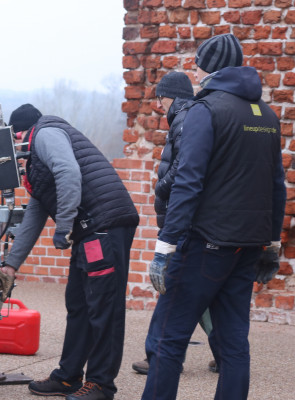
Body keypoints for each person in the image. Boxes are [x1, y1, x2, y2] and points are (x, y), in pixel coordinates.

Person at [142, 33, 285, 400]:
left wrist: (165, 246)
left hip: (203, 245)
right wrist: (272, 243)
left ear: (207, 67)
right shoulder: (266, 115)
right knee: (234, 343)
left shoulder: (206, 110)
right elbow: (275, 184)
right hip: (248, 245)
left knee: (169, 341)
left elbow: (188, 181)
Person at [0, 104, 139, 400]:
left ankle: (101, 385)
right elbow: (35, 213)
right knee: (79, 305)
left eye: (16, 138)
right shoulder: (37, 160)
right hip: (89, 229)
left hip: (104, 226)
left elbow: (68, 172)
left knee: (104, 309)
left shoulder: (45, 133)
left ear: (21, 132)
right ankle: (68, 377)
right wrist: (11, 265)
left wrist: (62, 226)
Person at [131, 72, 219, 375]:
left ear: (171, 97)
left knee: (172, 289)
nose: (158, 105)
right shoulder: (189, 116)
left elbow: (184, 168)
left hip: (182, 224)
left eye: (161, 98)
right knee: (199, 295)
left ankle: (159, 357)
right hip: (193, 224)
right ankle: (221, 352)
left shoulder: (183, 117)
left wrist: (162, 186)